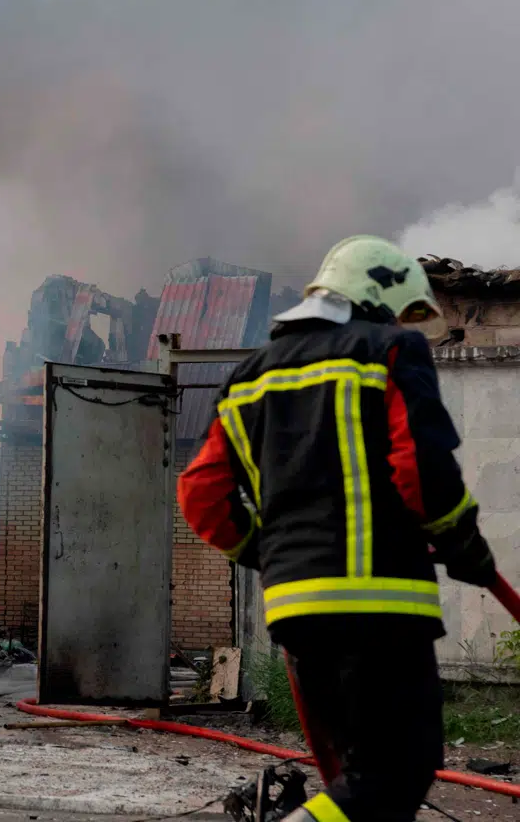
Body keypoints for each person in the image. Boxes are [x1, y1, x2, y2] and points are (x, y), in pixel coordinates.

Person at [179, 236, 498, 822]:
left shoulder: (250, 376)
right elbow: (420, 470)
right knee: (395, 773)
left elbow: (200, 496)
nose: (403, 324)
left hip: (296, 611)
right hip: (380, 604)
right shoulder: (389, 350)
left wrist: (268, 553)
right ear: (377, 298)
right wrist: (463, 543)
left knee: (356, 780)